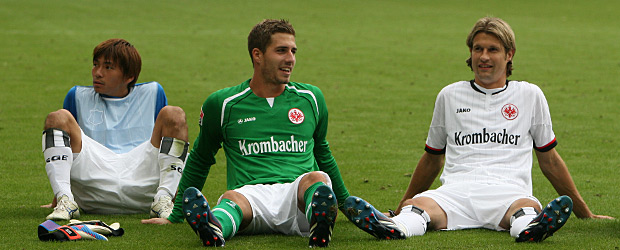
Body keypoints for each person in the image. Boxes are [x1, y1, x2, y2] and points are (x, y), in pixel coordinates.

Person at [343, 16, 614, 243]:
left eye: (493, 49)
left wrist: (584, 213)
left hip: (508, 193)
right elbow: (432, 157)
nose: (483, 57)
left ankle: (532, 229)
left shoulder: (530, 95)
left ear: (509, 55)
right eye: (477, 49)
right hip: (455, 193)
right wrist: (404, 203)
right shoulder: (450, 95)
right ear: (470, 52)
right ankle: (395, 227)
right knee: (420, 207)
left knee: (525, 210)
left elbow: (550, 160)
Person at [142, 19, 352, 248]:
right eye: (281, 51)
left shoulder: (311, 98)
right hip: (250, 199)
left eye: (293, 51)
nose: (290, 58)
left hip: (297, 198)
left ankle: (320, 221)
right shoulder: (222, 104)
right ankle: (214, 229)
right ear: (257, 55)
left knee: (316, 179)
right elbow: (201, 158)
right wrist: (175, 216)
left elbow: (322, 151)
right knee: (232, 198)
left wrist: (347, 205)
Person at [42, 38, 189, 221]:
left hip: (142, 173)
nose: (97, 73)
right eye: (96, 65)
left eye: (108, 67)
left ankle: (164, 199)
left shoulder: (153, 93)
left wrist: (183, 190)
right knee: (57, 117)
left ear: (129, 76)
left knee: (174, 114)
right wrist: (57, 194)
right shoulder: (77, 96)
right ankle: (65, 200)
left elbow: (167, 145)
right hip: (94, 175)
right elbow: (69, 149)